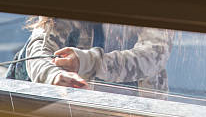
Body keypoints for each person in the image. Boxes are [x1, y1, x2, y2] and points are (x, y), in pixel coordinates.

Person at [22, 17, 173, 97]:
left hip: (139, 105)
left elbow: (154, 56)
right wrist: (53, 75)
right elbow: (38, 50)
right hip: (80, 105)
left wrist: (89, 62)